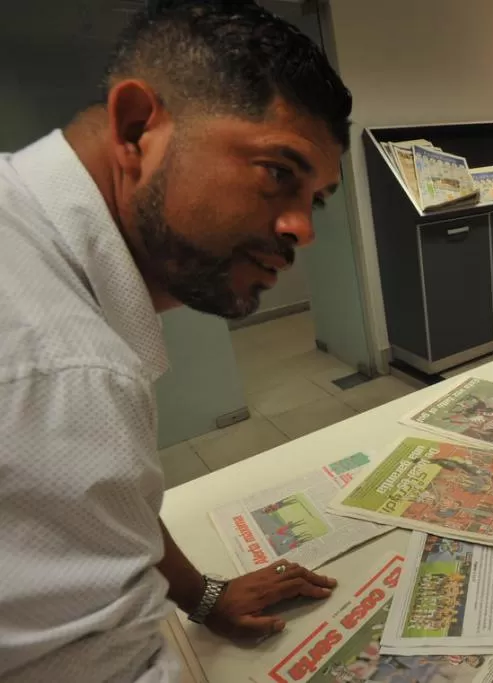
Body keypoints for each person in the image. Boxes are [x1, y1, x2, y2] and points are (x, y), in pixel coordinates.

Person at [0, 2, 353, 681]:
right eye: (279, 171)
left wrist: (201, 592)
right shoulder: (59, 367)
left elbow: (106, 500)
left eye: (317, 198)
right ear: (139, 128)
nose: (302, 229)